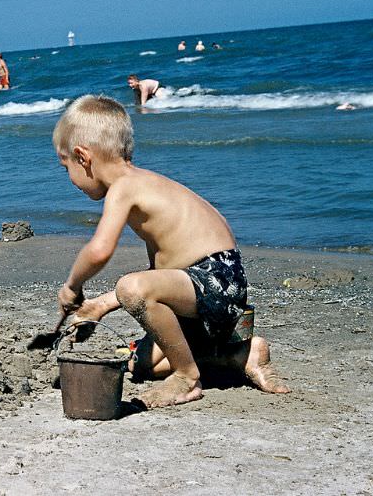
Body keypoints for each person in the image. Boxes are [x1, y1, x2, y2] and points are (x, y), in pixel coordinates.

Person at [53, 95, 290, 409]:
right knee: (141, 363)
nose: (70, 179)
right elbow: (160, 276)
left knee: (132, 287)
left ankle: (186, 377)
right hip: (209, 287)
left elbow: (99, 251)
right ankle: (238, 355)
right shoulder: (145, 184)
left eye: (66, 167)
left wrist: (72, 286)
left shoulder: (124, 188)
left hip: (216, 279)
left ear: (82, 157)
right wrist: (100, 305)